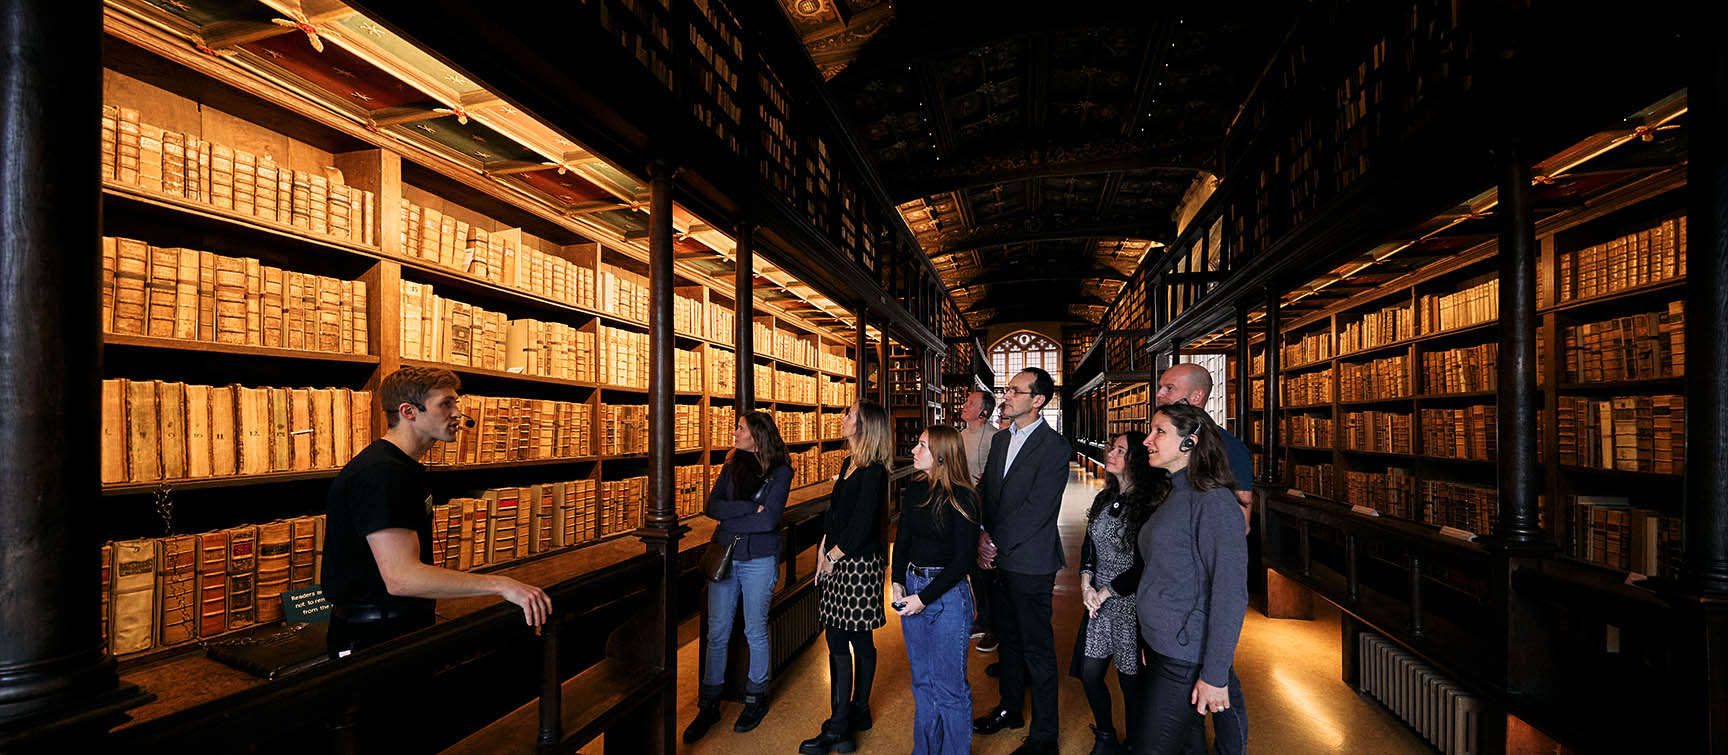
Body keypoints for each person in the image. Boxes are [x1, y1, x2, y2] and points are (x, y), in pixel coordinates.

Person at [323, 366, 550, 660]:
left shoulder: (400, 467)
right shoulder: (382, 473)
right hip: (375, 641)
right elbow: (401, 578)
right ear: (408, 411)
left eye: (456, 403)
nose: (457, 413)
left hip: (398, 628)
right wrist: (502, 585)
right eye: (445, 404)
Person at [1132, 403, 1250, 754]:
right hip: (1163, 645)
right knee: (1187, 745)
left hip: (1183, 654)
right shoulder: (1175, 492)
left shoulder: (1214, 502)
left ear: (1190, 442)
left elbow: (1230, 593)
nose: (1148, 440)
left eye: (1160, 432)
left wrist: (1215, 675)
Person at [973, 367, 1071, 755]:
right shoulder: (999, 442)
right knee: (1008, 641)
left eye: (1015, 390)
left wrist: (994, 541)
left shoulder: (1055, 447)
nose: (1006, 395)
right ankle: (1010, 710)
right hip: (997, 558)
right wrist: (982, 532)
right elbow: (988, 495)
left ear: (1039, 400)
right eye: (1006, 389)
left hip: (1031, 562)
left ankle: (1045, 736)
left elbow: (1039, 509)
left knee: (1037, 648)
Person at [684, 412, 794, 742]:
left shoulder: (781, 472)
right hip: (726, 558)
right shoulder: (731, 466)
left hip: (759, 559)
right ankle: (710, 702)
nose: (734, 432)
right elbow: (711, 506)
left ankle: (755, 696)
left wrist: (735, 518)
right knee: (717, 631)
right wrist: (748, 509)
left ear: (757, 437)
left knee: (754, 628)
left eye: (740, 428)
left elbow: (768, 522)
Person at [800, 401, 892, 755]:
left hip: (858, 565)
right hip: (838, 561)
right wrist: (822, 550)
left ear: (865, 426)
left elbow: (861, 525)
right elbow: (836, 514)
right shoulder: (848, 463)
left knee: (850, 639)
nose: (843, 418)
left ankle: (843, 724)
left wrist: (833, 558)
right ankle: (853, 714)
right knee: (845, 639)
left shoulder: (873, 471)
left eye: (850, 415)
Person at [1071, 432, 1162, 755]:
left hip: (1130, 602)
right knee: (1089, 673)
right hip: (1098, 599)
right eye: (1113, 448)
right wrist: (1085, 583)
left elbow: (1144, 566)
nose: (1111, 454)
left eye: (1120, 451)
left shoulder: (1150, 507)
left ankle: (1136, 742)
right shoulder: (1103, 498)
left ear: (1135, 461)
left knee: (1130, 681)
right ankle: (1105, 735)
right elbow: (1089, 546)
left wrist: (1106, 592)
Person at [893, 425, 981, 755]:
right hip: (913, 586)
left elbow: (963, 561)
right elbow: (902, 541)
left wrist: (923, 598)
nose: (914, 450)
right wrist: (898, 582)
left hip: (945, 594)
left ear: (942, 456)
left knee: (950, 687)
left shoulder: (963, 497)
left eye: (922, 446)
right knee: (922, 682)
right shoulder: (915, 489)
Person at [955, 389, 999, 653]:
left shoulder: (994, 438)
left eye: (970, 403)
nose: (964, 405)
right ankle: (981, 618)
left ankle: (994, 625)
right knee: (971, 569)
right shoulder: (959, 437)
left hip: (984, 512)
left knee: (987, 571)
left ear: (983, 412)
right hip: (963, 510)